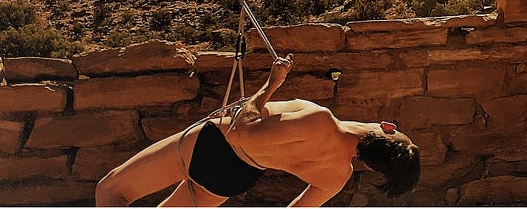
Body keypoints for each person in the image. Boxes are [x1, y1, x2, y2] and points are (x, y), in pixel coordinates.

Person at [95, 55, 420, 207]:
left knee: (111, 191)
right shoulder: (339, 174)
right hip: (234, 178)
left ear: (388, 128)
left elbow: (240, 133)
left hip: (212, 148)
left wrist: (270, 84)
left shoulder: (321, 122)